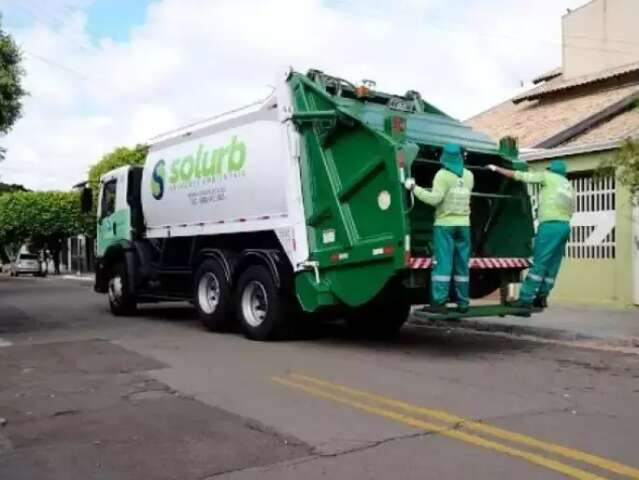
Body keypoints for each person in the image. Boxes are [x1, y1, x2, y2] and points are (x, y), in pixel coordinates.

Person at [487, 160, 574, 309]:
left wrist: (496, 168)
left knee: (540, 262)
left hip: (550, 226)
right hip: (564, 226)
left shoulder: (548, 177)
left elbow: (521, 176)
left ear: (551, 170)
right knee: (553, 264)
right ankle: (542, 296)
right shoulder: (567, 184)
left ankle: (525, 299)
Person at [404, 143, 474, 314]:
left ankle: (439, 303)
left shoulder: (442, 175)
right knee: (462, 265)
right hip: (464, 225)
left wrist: (414, 188)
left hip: (445, 226)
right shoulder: (469, 175)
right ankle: (463, 303)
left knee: (442, 264)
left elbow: (435, 199)